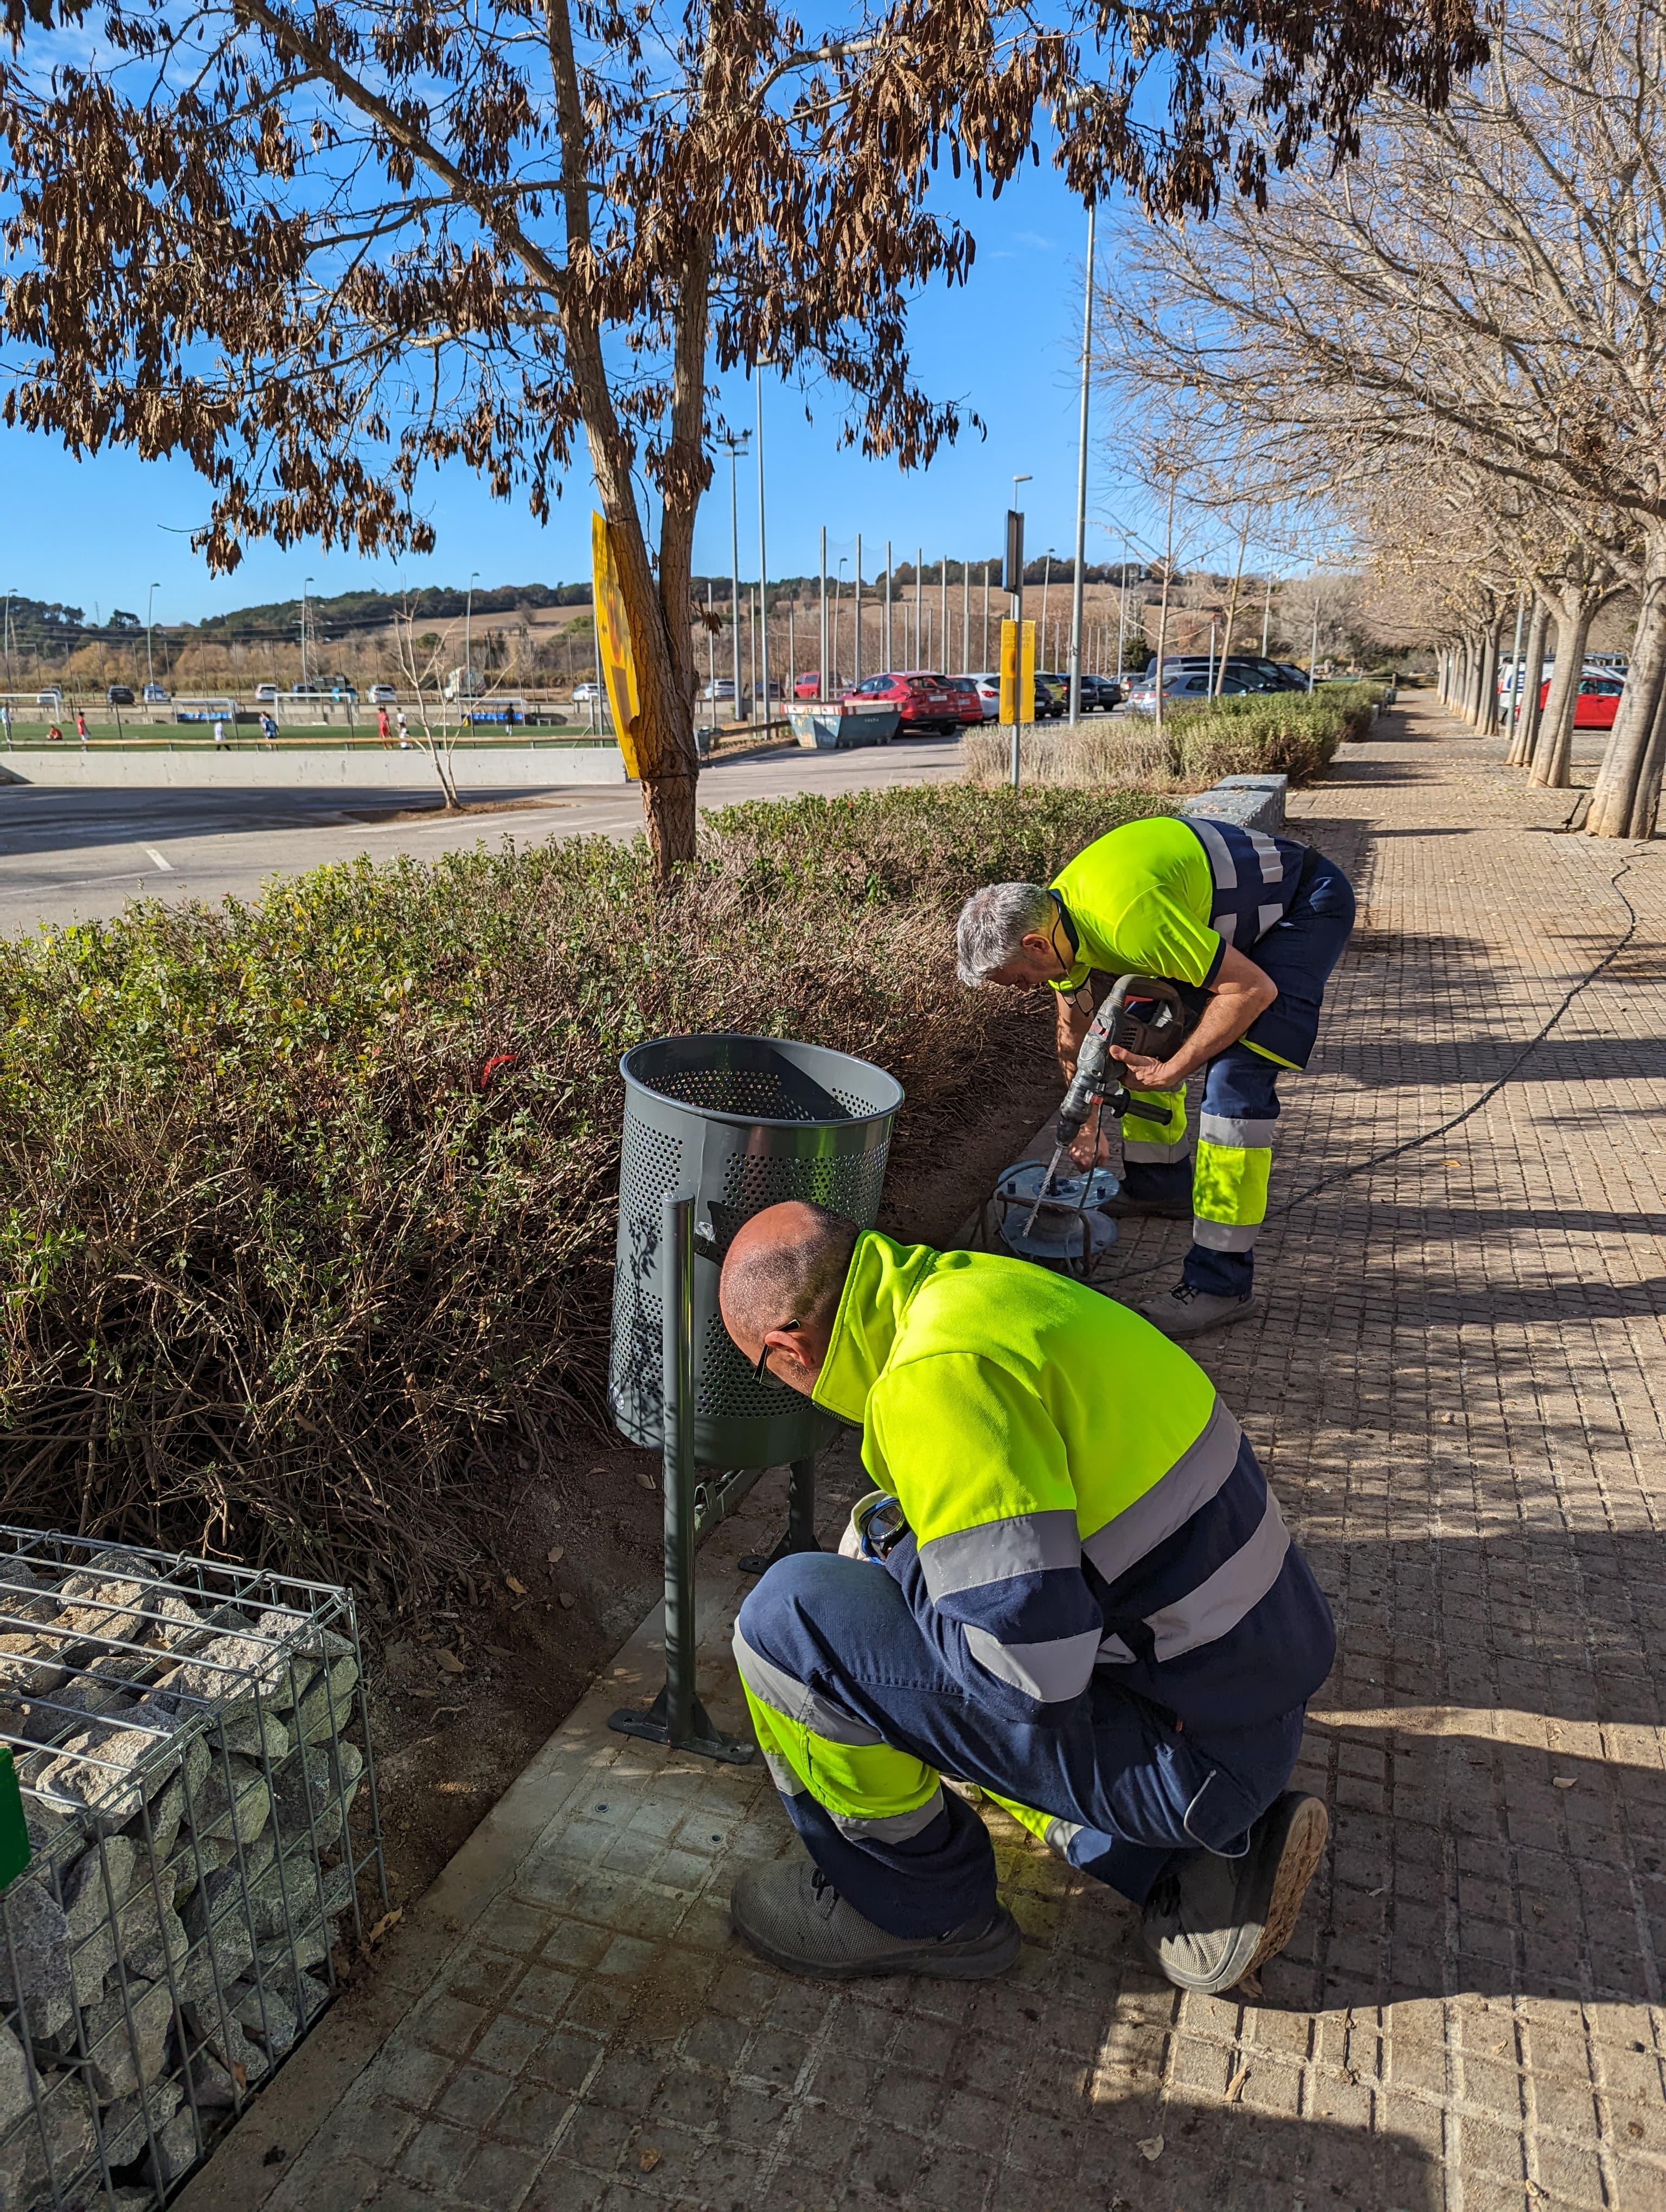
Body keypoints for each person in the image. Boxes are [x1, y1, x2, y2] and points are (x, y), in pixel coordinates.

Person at [720, 1201, 1334, 1990]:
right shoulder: (987, 1294)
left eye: (763, 1370)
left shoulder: (930, 1382)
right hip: (1237, 1700)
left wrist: (898, 1556)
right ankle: (1175, 1870)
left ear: (786, 1348)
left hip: (1189, 1756)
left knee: (787, 1621)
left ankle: (922, 1910)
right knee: (917, 1584)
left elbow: (1026, 1680)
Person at [954, 814, 1355, 1338]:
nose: (1019, 990)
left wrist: (1173, 1070)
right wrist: (1088, 1122)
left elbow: (1251, 990)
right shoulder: (1059, 923)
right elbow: (1077, 1035)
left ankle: (1221, 1282)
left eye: (1017, 981)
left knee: (1234, 1092)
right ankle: (1159, 1185)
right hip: (1220, 924)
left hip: (1299, 910)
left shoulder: (1127, 922)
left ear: (1034, 946)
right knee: (1134, 1039)